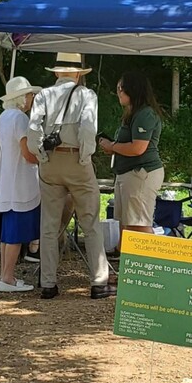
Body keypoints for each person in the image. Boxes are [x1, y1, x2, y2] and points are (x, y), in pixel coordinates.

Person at [27, 52, 116, 300]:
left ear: (56, 72)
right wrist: (85, 156)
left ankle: (48, 283)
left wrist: (42, 156)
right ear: (78, 74)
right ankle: (99, 282)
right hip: (77, 159)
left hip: (50, 162)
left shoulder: (43, 95)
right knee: (90, 222)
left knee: (49, 224)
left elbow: (33, 129)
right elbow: (88, 127)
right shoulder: (87, 95)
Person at [99, 71, 164, 247]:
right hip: (126, 173)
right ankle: (126, 269)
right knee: (124, 224)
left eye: (120, 88)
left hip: (141, 173)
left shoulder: (145, 114)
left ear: (132, 90)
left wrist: (112, 146)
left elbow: (138, 148)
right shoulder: (132, 113)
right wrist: (115, 148)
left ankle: (147, 267)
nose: (118, 92)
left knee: (139, 224)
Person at [0, 76, 42, 293]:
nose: (32, 98)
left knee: (7, 232)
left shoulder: (4, 116)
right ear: (22, 98)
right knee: (14, 234)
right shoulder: (21, 119)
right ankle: (7, 277)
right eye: (30, 94)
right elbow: (27, 153)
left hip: (7, 180)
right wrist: (44, 156)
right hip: (20, 182)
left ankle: (5, 275)